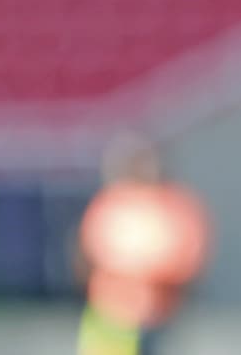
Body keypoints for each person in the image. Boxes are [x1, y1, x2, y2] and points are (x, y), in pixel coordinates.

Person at [74, 132, 212, 355]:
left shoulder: (174, 206)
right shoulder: (111, 203)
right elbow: (93, 250)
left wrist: (142, 269)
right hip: (111, 312)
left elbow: (186, 257)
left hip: (157, 313)